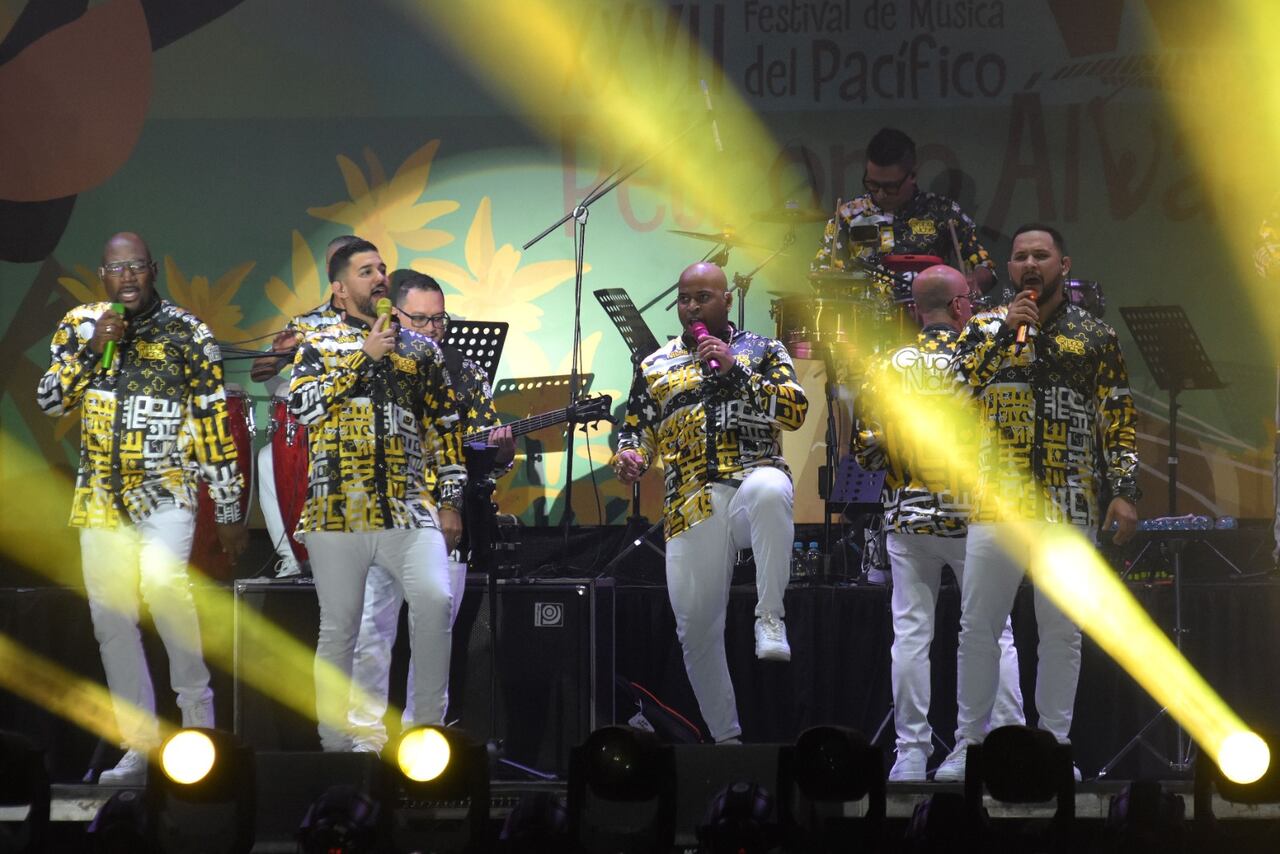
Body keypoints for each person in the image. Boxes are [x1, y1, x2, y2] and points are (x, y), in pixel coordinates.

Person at [37, 231, 248, 784]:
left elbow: (211, 421)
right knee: (110, 619)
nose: (126, 276)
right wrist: (93, 346)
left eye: (136, 266)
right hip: (101, 495)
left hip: (165, 489)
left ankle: (198, 721)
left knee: (163, 587)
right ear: (101, 276)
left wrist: (227, 508)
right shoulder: (82, 324)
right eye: (115, 268)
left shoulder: (187, 331)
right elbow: (51, 398)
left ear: (152, 269)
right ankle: (140, 745)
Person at [933, 225, 1140, 781]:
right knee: (978, 628)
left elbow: (1117, 418)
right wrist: (1004, 336)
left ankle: (1055, 748)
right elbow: (951, 399)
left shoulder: (1094, 335)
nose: (1029, 264)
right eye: (1020, 255)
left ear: (1062, 264)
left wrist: (1123, 490)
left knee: (1061, 632)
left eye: (1040, 255)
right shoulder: (981, 329)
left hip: (1069, 502)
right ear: (1009, 265)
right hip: (996, 503)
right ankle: (969, 746)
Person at [612, 262, 808, 744]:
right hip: (691, 503)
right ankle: (726, 740)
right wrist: (631, 455)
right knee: (696, 630)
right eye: (684, 298)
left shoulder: (763, 350)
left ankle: (770, 617)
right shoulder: (655, 365)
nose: (692, 307)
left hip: (750, 486)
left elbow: (795, 410)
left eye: (703, 297)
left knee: (769, 489)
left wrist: (735, 367)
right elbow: (638, 429)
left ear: (726, 299)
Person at [288, 239, 466, 751]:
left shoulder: (421, 349)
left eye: (382, 269)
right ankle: (339, 743)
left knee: (434, 601)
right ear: (341, 289)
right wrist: (361, 360)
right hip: (338, 508)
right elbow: (303, 408)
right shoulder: (312, 338)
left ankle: (426, 731)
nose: (380, 277)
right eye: (366, 271)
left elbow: (445, 428)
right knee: (340, 625)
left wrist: (450, 498)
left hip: (409, 505)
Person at [853, 264, 1024, 781]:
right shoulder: (982, 359)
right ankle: (1008, 742)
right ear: (959, 306)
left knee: (910, 636)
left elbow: (866, 454)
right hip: (977, 516)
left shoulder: (885, 364)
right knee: (995, 633)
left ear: (913, 310)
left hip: (908, 517)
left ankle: (910, 754)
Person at [347, 271, 515, 753]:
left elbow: (482, 452)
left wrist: (500, 454)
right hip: (380, 512)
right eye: (421, 319)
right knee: (372, 627)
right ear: (392, 315)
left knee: (436, 627)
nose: (434, 330)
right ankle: (365, 737)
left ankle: (427, 734)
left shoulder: (463, 371)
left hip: (446, 517)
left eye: (440, 320)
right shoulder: (371, 362)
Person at [250, 234, 360, 578]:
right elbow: (260, 373)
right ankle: (292, 558)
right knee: (268, 459)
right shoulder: (309, 324)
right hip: (317, 430)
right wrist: (276, 353)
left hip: (363, 431)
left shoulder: (381, 322)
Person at [811, 127, 999, 302]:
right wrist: (829, 280)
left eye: (891, 186)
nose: (881, 193)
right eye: (873, 184)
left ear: (912, 176)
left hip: (932, 318)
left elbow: (985, 267)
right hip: (862, 324)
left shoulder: (943, 212)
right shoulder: (847, 217)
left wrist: (973, 282)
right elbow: (820, 272)